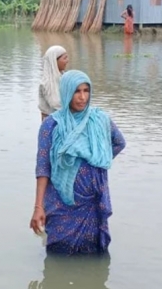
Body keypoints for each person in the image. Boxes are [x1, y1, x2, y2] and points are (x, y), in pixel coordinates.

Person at [29, 70, 126, 255]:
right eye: (76, 91)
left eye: (86, 91)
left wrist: (97, 160)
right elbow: (43, 167)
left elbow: (120, 142)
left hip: (93, 201)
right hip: (60, 202)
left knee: (94, 253)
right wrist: (38, 207)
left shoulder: (100, 120)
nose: (82, 97)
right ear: (66, 92)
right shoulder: (51, 125)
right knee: (59, 251)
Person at [38, 45, 68, 121]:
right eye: (65, 58)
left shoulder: (63, 76)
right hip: (52, 122)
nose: (67, 61)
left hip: (64, 119)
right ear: (54, 61)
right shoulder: (47, 83)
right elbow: (56, 104)